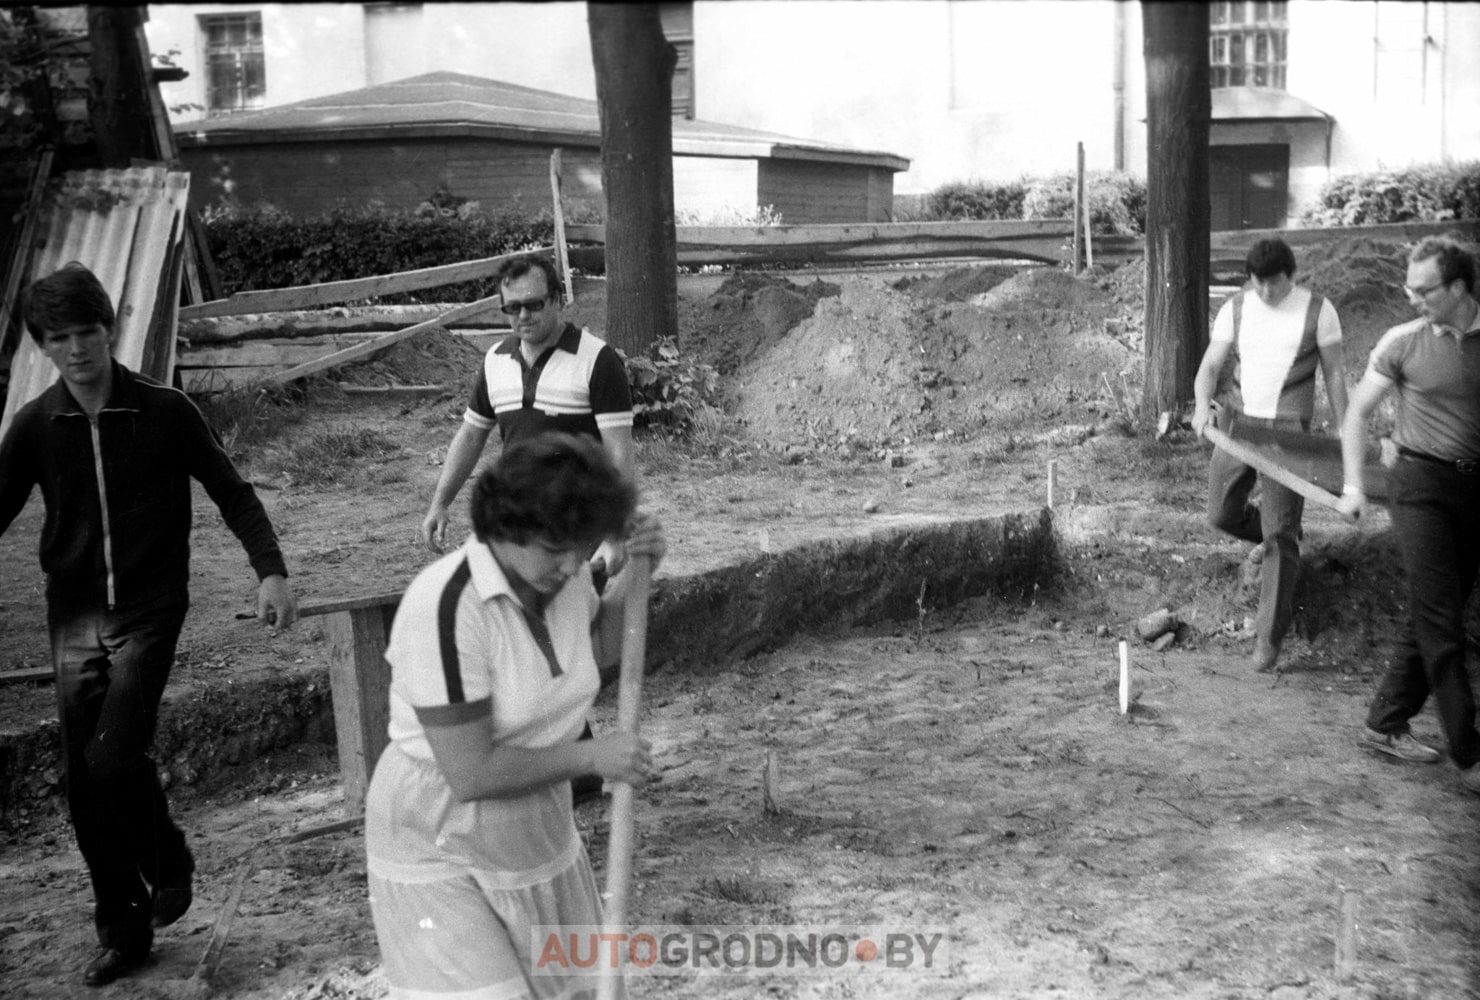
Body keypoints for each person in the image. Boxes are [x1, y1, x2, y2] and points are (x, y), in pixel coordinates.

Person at [0, 262, 298, 986]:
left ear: (111, 330)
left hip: (150, 609)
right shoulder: (36, 426)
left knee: (111, 758)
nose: (77, 349)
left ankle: (167, 860)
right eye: (61, 337)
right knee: (83, 779)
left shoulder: (164, 410)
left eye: (88, 332)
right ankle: (124, 931)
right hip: (73, 614)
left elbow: (233, 491)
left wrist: (272, 571)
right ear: (44, 344)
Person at [367, 432, 662, 999]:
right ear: (505, 528)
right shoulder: (448, 607)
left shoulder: (562, 577)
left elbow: (590, 653)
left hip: (535, 822)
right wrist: (592, 756)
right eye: (556, 549)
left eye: (581, 545)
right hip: (440, 827)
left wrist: (641, 568)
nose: (574, 563)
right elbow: (471, 772)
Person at [1337, 236, 1480, 791]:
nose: (1411, 296)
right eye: (1408, 287)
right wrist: (1354, 485)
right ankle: (1469, 754)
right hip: (1419, 484)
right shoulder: (1403, 342)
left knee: (1436, 610)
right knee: (1442, 620)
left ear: (1458, 287)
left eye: (1423, 289)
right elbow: (1355, 416)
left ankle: (1384, 721)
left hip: (1474, 488)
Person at [1191, 237, 1348, 674]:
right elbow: (1209, 366)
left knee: (1278, 536)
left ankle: (1269, 637)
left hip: (1288, 438)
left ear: (1291, 276)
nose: (1265, 293)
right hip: (1239, 427)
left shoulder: (1319, 310)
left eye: (1274, 285)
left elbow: (1335, 378)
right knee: (1220, 514)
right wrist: (1203, 405)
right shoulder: (1236, 308)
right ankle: (1284, 540)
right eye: (1257, 284)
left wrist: (1344, 431)